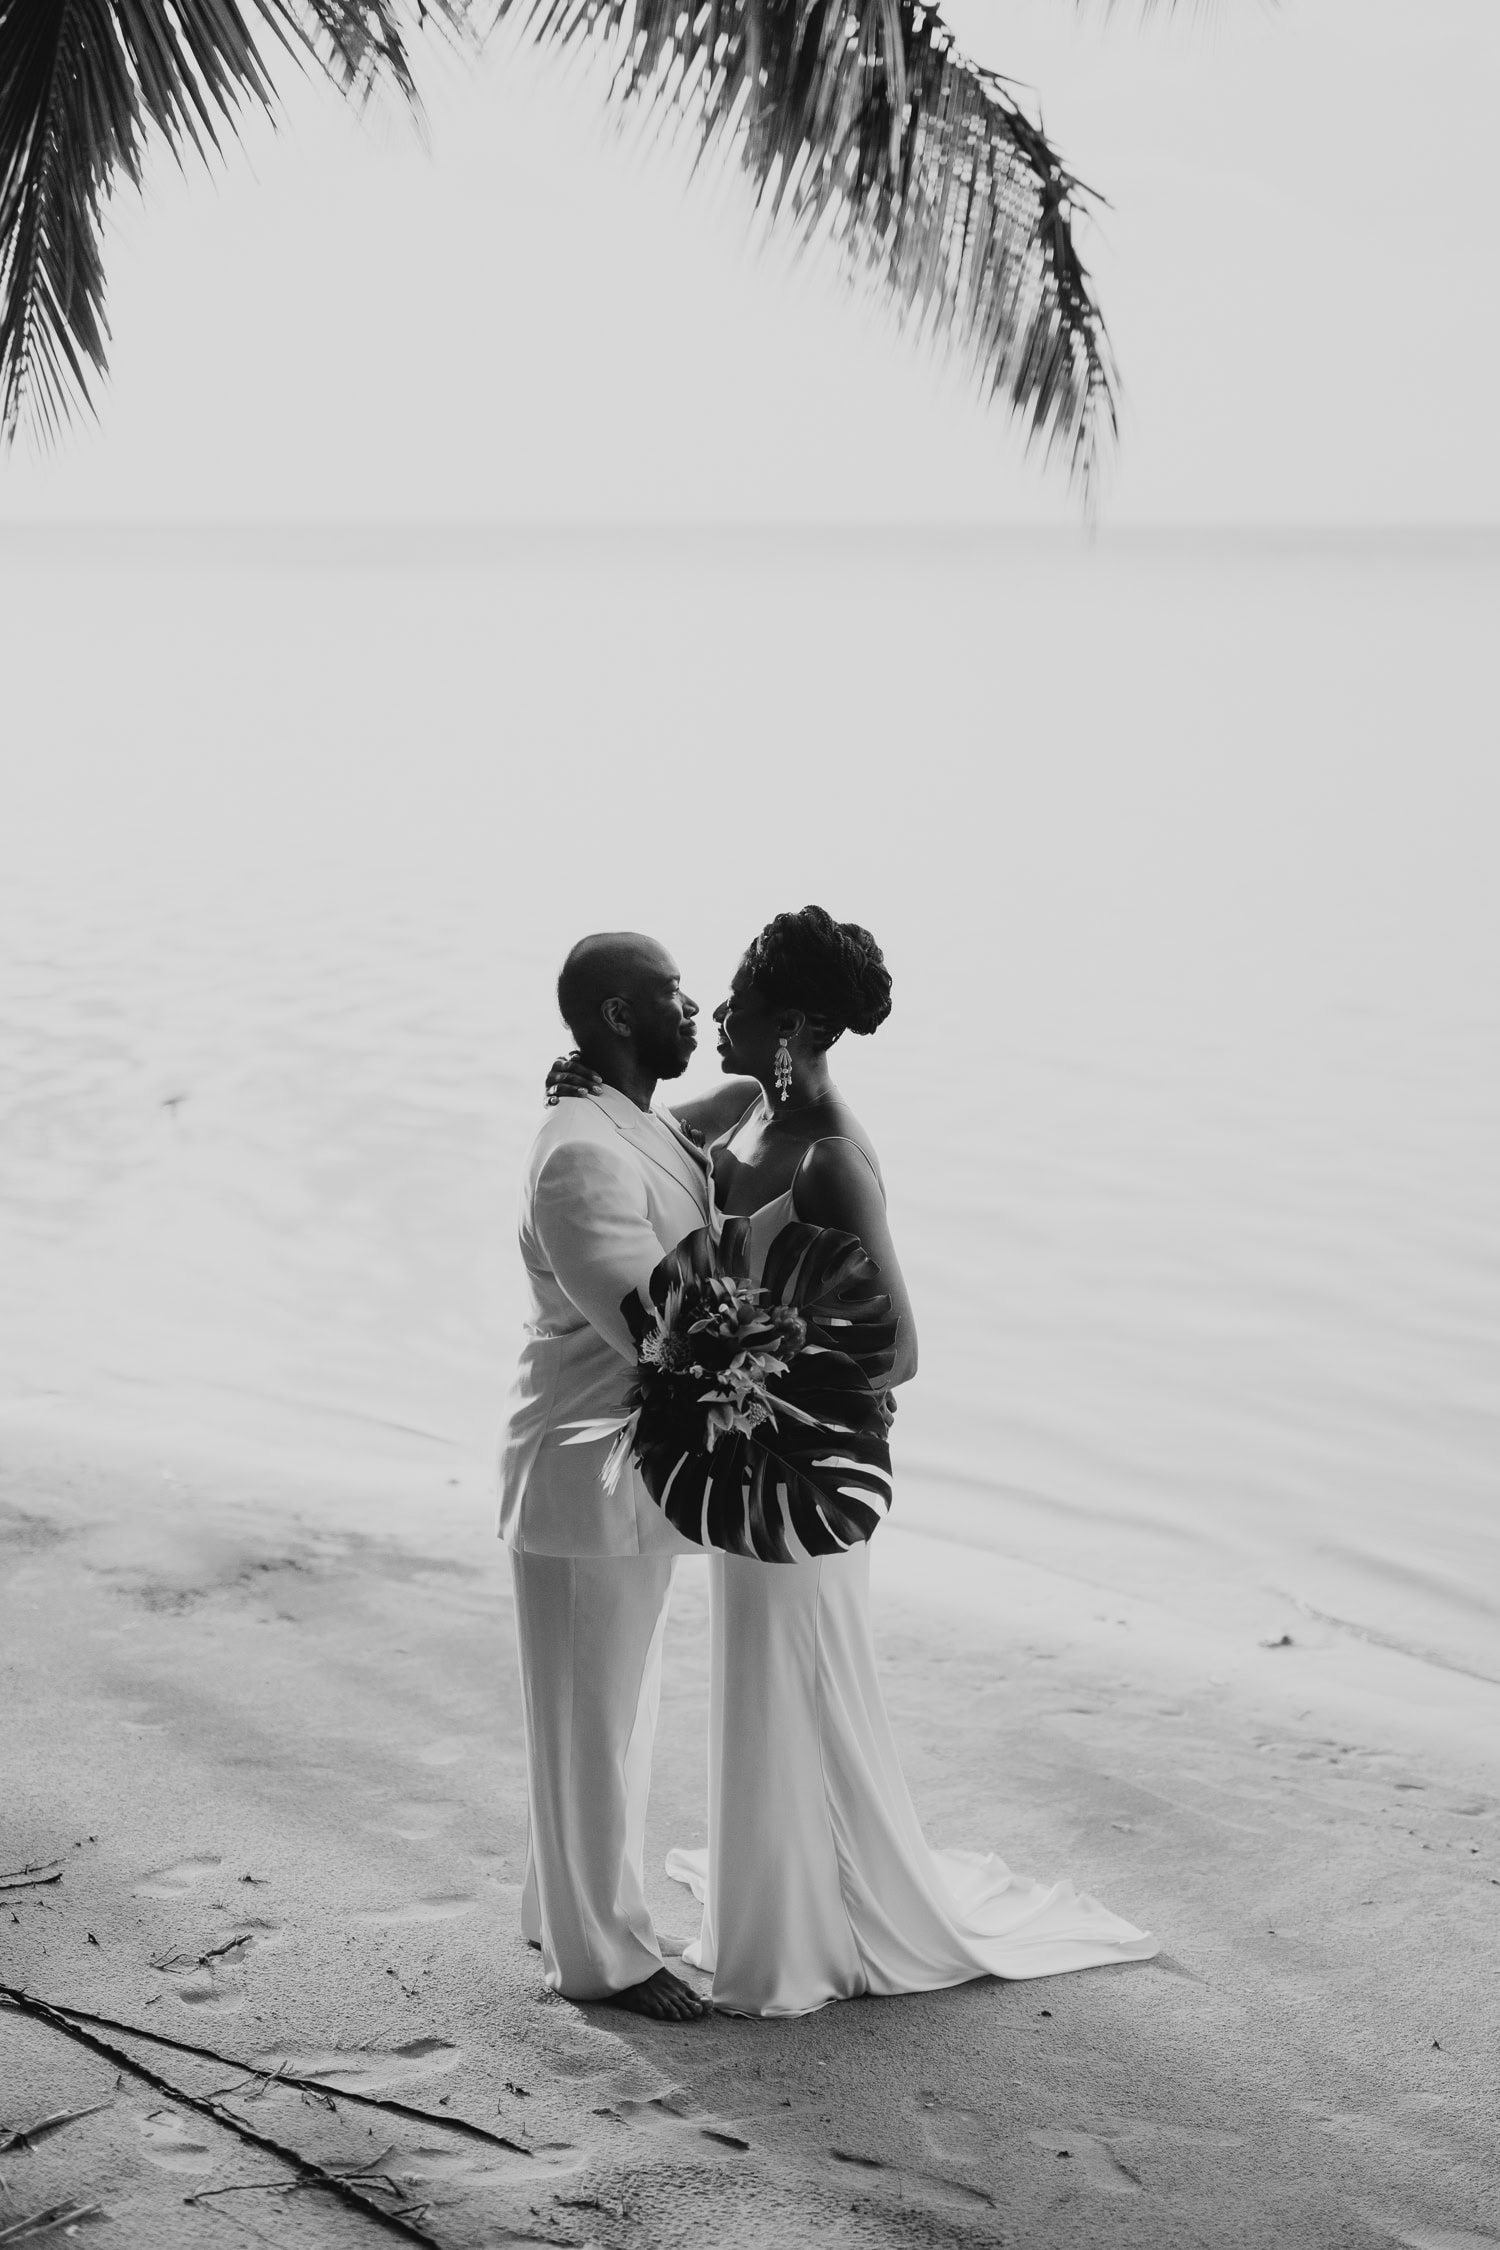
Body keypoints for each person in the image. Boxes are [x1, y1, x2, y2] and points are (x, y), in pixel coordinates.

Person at [547, 905, 1157, 2016]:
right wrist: (574, 1076)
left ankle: (800, 1941)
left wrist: (757, 1384)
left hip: (799, 1468)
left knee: (796, 1673)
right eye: (712, 990)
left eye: (741, 996)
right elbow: (640, 1132)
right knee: (757, 1673)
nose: (720, 1010)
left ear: (797, 1025)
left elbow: (901, 1351)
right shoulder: (742, 1119)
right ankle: (767, 1911)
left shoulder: (828, 1158)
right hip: (743, 1465)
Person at [499, 931, 714, 2021]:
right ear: (620, 1016)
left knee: (610, 1716)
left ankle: (562, 1906)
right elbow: (660, 1329)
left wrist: (789, 1083)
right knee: (592, 1723)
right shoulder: (579, 1149)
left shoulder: (627, 1122)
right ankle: (602, 1961)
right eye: (674, 995)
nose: (696, 1006)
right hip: (584, 1476)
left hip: (630, 1475)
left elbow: (689, 1152)